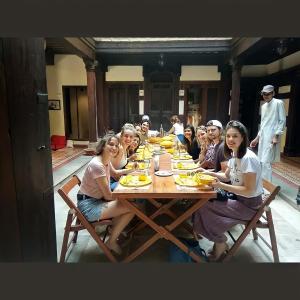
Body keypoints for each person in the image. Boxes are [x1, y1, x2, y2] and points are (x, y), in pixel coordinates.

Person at [193, 120, 264, 261]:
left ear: (243, 137)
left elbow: (248, 190)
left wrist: (221, 186)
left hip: (249, 205)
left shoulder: (248, 158)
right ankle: (219, 239)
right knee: (202, 204)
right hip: (238, 199)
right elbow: (226, 176)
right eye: (229, 136)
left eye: (235, 136)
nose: (231, 139)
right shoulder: (234, 155)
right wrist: (208, 173)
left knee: (204, 207)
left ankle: (220, 241)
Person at [77, 134, 135, 255]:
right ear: (103, 146)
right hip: (89, 206)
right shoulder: (97, 165)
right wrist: (125, 194)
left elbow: (115, 173)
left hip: (95, 199)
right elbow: (108, 196)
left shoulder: (106, 160)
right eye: (110, 144)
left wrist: (131, 170)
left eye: (116, 145)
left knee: (130, 203)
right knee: (132, 208)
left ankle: (115, 231)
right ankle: (112, 241)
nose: (114, 147)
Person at [250, 85, 286, 181]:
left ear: (273, 93)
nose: (266, 95)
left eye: (268, 93)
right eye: (264, 94)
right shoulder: (264, 106)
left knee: (266, 161)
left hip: (272, 135)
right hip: (263, 136)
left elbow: (282, 120)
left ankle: (267, 186)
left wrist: (276, 135)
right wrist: (257, 138)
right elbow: (263, 124)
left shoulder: (279, 103)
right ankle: (261, 183)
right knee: (261, 160)